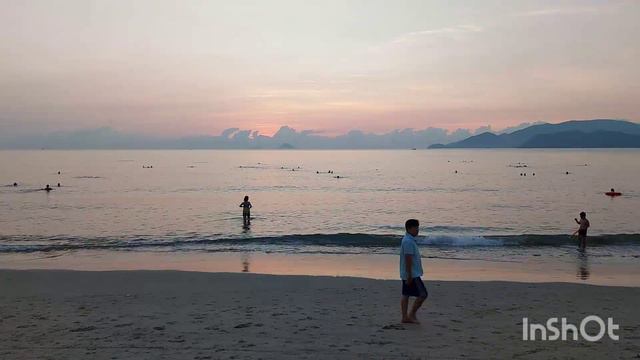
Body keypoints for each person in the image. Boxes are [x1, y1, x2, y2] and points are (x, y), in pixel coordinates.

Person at [400, 219, 428, 324]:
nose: (417, 230)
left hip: (408, 273)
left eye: (418, 228)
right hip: (412, 274)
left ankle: (405, 317)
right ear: (409, 229)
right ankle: (411, 314)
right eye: (415, 228)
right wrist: (409, 275)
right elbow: (408, 259)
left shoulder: (408, 240)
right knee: (423, 294)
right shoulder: (408, 241)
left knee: (406, 294)